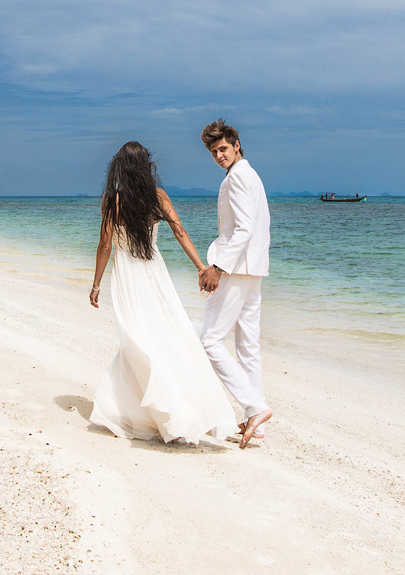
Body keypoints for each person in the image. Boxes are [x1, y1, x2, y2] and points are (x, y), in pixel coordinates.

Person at [88, 141, 238, 444]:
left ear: (119, 167)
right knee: (165, 333)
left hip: (127, 275)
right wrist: (202, 267)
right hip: (154, 272)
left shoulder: (110, 200)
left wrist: (96, 284)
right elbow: (180, 232)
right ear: (146, 166)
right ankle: (173, 405)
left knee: (136, 338)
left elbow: (105, 245)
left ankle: (151, 408)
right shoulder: (157, 197)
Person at [197, 119, 273, 449]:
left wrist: (217, 267)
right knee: (247, 348)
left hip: (238, 268)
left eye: (223, 148)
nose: (219, 155)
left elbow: (244, 229)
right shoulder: (249, 174)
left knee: (210, 341)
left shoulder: (240, 176)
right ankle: (256, 426)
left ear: (237, 144)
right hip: (253, 269)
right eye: (214, 151)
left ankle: (255, 407)